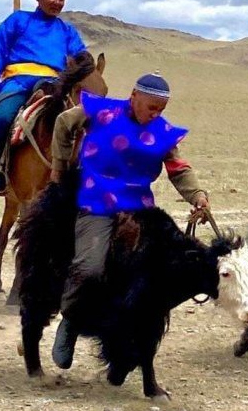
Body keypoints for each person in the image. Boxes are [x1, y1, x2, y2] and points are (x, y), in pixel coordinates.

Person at [50, 72, 211, 369]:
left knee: (149, 277)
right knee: (90, 267)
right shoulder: (100, 111)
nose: (156, 114)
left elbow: (178, 168)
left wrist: (197, 195)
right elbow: (63, 124)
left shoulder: (162, 131)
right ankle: (70, 321)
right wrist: (60, 168)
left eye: (161, 109)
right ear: (134, 96)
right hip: (96, 202)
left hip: (139, 211)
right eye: (152, 107)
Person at [0, 0, 86, 195]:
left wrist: (85, 64)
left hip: (54, 81)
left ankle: (79, 170)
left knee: (79, 120)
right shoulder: (18, 20)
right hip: (18, 78)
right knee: (1, 116)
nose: (57, 2)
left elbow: (81, 55)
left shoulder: (66, 30)